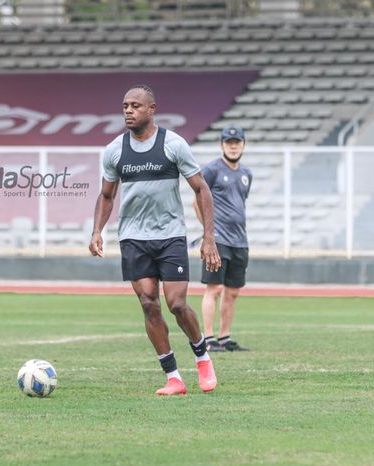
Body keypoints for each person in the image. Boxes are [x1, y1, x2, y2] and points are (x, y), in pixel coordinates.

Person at [89, 84, 222, 395]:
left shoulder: (173, 145)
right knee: (149, 303)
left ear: (152, 109)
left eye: (135, 106)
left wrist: (209, 238)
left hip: (170, 235)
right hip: (134, 238)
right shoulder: (114, 151)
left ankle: (202, 357)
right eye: (125, 106)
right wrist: (97, 230)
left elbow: (201, 189)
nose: (128, 111)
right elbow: (107, 195)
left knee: (176, 304)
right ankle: (173, 377)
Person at [194, 126, 252, 352]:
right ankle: (208, 339)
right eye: (229, 142)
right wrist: (209, 232)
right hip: (218, 240)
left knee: (233, 291)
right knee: (214, 289)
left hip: (240, 241)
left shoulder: (247, 174)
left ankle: (225, 336)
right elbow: (196, 201)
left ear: (244, 145)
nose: (233, 146)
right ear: (221, 145)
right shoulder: (211, 170)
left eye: (237, 142)